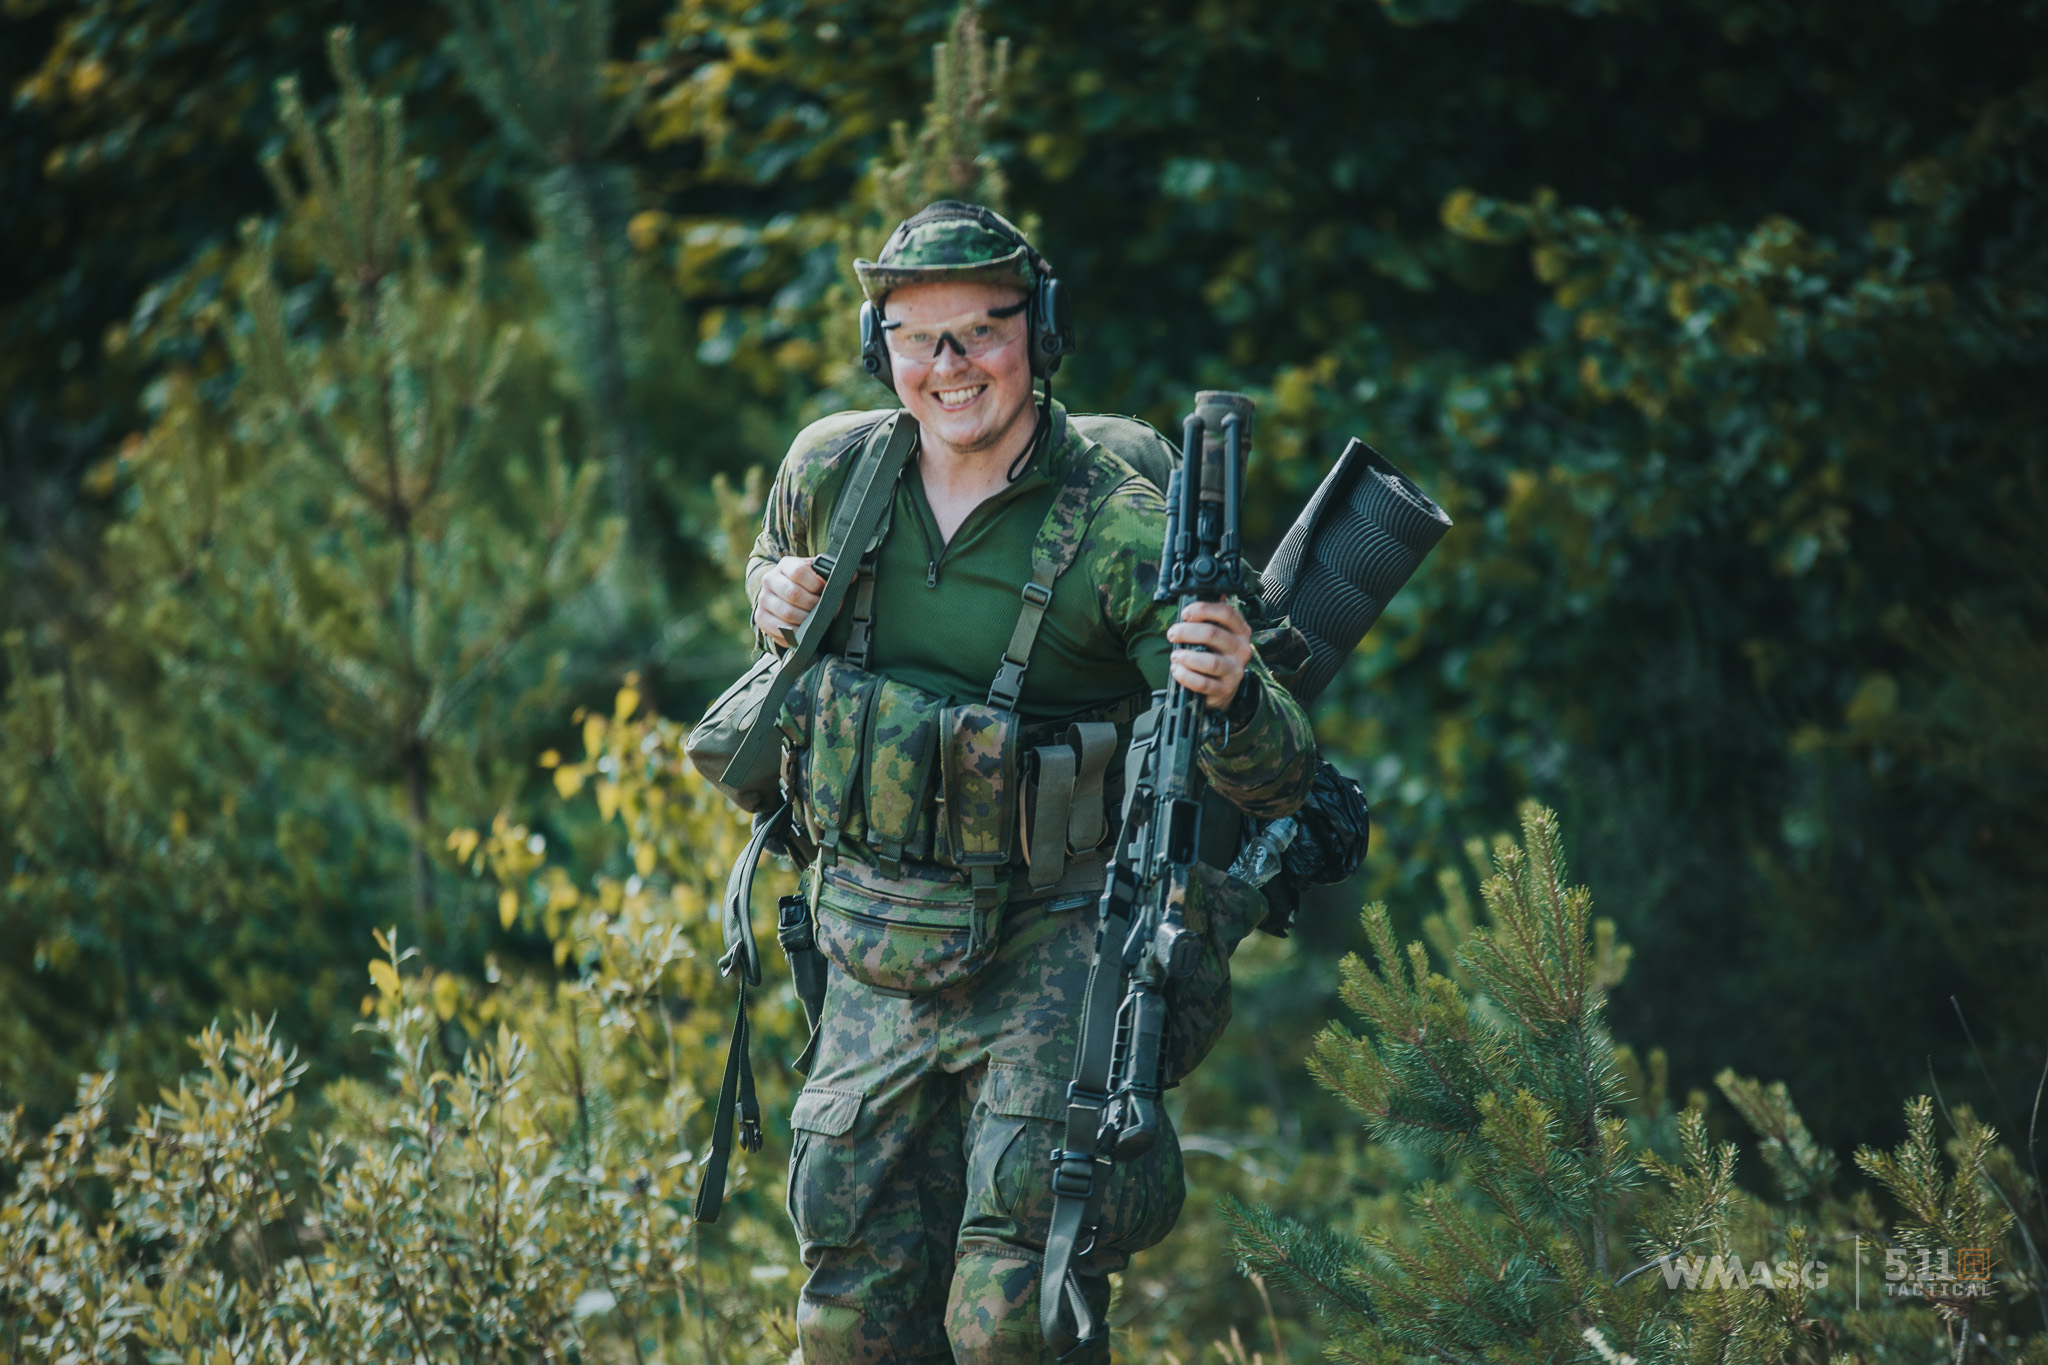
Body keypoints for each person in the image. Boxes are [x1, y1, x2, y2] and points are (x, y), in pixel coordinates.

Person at [745, 200, 1316, 1363]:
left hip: (1050, 946)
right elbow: (768, 572)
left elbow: (1279, 770)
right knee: (849, 1315)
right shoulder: (833, 475)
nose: (948, 366)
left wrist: (1229, 691)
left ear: (1038, 329)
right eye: (916, 337)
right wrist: (769, 593)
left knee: (1010, 1320)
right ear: (877, 346)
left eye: (981, 331)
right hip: (873, 940)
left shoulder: (1119, 529)